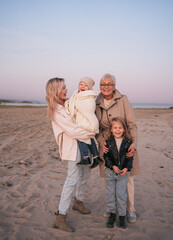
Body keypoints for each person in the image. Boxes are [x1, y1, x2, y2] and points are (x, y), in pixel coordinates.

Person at [46, 77, 95, 232]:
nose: (66, 90)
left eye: (66, 87)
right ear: (55, 91)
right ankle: (60, 216)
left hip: (83, 146)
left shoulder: (67, 104)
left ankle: (78, 202)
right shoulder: (55, 110)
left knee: (85, 174)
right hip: (72, 148)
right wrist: (92, 132)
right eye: (63, 88)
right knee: (71, 180)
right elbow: (73, 130)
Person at [95, 73, 140, 223]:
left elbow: (132, 124)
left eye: (109, 84)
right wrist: (102, 142)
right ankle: (111, 208)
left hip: (125, 145)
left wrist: (133, 144)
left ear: (114, 86)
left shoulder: (123, 100)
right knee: (107, 181)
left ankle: (130, 209)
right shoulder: (96, 102)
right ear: (100, 86)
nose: (106, 87)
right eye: (103, 84)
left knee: (128, 179)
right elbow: (96, 128)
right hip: (107, 147)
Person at [65, 77, 103, 169]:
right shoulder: (78, 95)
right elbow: (74, 103)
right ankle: (96, 157)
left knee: (81, 137)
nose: (83, 86)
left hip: (88, 121)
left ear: (89, 88)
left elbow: (86, 107)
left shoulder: (88, 97)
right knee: (89, 138)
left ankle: (86, 158)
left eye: (86, 85)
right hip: (88, 121)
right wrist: (69, 103)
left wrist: (70, 105)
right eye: (81, 84)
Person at [104, 117, 133, 229]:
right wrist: (112, 166)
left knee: (121, 194)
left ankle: (122, 215)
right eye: (115, 128)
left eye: (120, 128)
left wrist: (126, 168)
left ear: (124, 129)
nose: (117, 130)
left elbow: (130, 158)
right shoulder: (108, 142)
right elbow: (106, 157)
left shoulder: (128, 143)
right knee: (110, 194)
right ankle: (112, 214)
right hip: (110, 172)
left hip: (123, 173)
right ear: (111, 129)